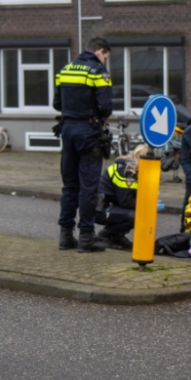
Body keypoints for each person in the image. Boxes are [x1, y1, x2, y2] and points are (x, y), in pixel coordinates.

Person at [54, 37, 113, 253]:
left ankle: (65, 235)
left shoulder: (65, 70)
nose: (105, 61)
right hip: (88, 132)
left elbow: (57, 103)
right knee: (89, 185)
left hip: (67, 130)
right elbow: (105, 105)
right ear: (100, 51)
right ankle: (86, 237)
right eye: (105, 57)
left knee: (70, 184)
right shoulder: (97, 71)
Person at [96, 145, 149, 250]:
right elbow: (125, 201)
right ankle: (104, 236)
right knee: (136, 216)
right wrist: (147, 205)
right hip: (100, 210)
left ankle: (117, 236)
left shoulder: (131, 168)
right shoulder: (127, 172)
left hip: (107, 206)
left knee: (140, 212)